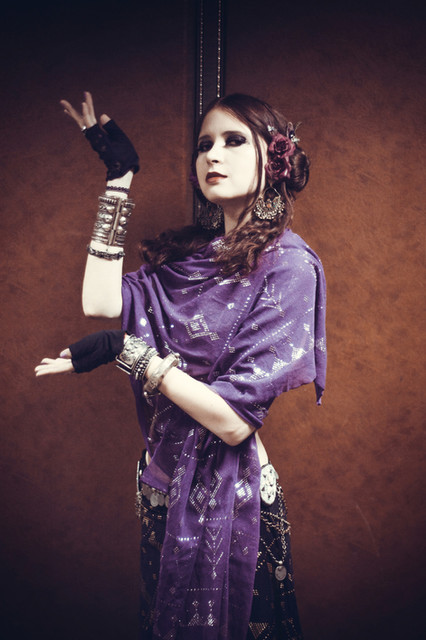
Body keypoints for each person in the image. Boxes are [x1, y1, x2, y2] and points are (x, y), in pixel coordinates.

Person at [35, 91, 326, 640]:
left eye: (233, 141)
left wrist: (130, 353)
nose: (212, 154)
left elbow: (234, 423)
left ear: (275, 158)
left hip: (233, 500)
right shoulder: (191, 261)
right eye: (204, 144)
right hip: (161, 491)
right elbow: (99, 302)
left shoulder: (289, 266)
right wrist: (118, 179)